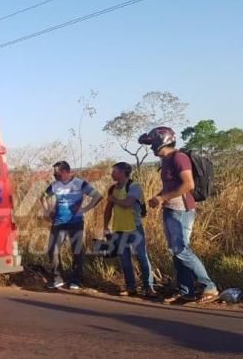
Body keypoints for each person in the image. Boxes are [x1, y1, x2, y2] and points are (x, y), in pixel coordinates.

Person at [138, 126, 219, 304]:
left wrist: (162, 197)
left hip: (181, 210)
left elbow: (188, 184)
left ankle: (209, 286)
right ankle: (186, 291)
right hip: (171, 209)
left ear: (162, 141)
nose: (151, 148)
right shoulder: (166, 161)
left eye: (152, 144)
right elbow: (170, 186)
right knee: (176, 252)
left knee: (181, 250)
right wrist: (159, 198)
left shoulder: (178, 158)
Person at [40, 161, 103, 290]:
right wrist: (48, 211)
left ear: (65, 172)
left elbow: (97, 196)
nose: (54, 175)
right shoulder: (55, 185)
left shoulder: (80, 183)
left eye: (56, 173)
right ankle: (57, 278)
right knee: (53, 250)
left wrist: (85, 209)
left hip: (75, 222)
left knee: (77, 251)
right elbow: (43, 197)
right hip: (58, 222)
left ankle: (76, 280)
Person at [102, 162, 156, 297]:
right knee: (124, 259)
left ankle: (149, 287)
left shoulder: (134, 186)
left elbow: (128, 203)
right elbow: (108, 210)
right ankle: (131, 287)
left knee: (142, 257)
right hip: (119, 228)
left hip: (134, 227)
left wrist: (113, 199)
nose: (112, 174)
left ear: (122, 172)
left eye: (114, 171)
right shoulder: (112, 189)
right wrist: (105, 226)